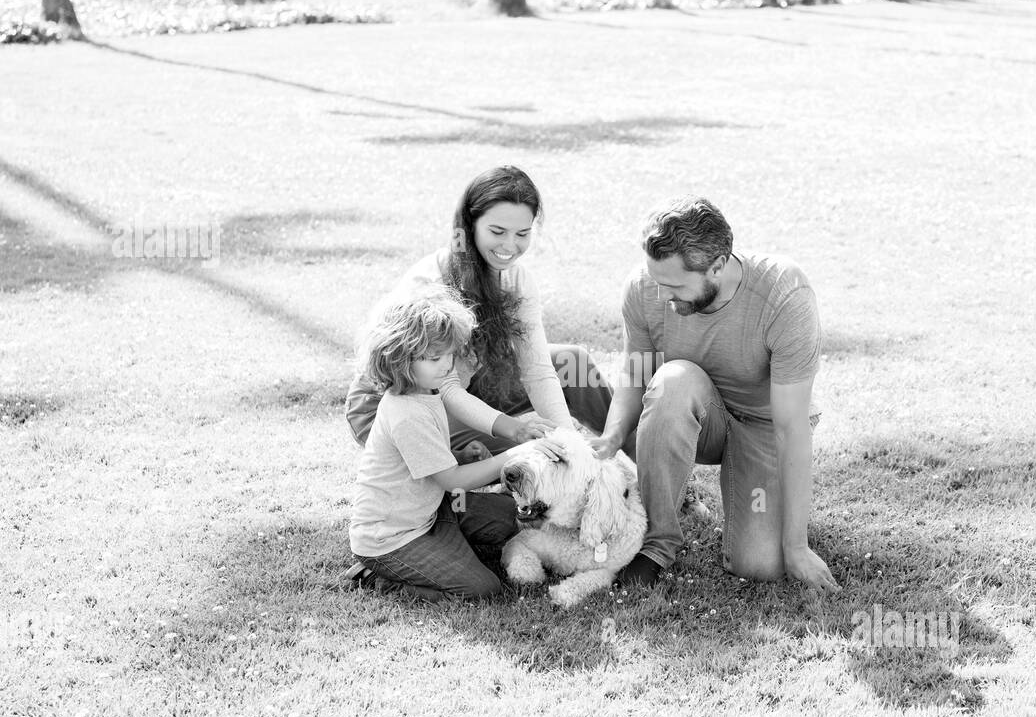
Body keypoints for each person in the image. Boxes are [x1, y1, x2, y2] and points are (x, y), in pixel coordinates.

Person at [590, 196, 841, 594]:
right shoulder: (645, 287)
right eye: (657, 280)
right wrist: (612, 435)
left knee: (758, 565)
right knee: (673, 381)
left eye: (674, 285)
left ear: (718, 266)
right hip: (694, 412)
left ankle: (760, 502)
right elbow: (636, 373)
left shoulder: (784, 293)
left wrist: (796, 547)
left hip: (764, 426)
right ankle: (656, 545)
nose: (663, 294)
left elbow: (792, 428)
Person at [346, 165, 614, 457]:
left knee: (570, 363)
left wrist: (568, 439)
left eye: (522, 233)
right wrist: (515, 429)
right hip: (401, 405)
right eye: (497, 231)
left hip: (465, 387)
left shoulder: (516, 280)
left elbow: (537, 371)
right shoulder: (435, 285)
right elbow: (446, 388)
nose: (510, 246)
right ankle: (454, 469)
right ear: (471, 224)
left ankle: (648, 465)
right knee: (536, 450)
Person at [348, 287, 563, 602]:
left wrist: (461, 455)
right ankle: (383, 577)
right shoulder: (407, 413)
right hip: (392, 538)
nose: (446, 365)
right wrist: (515, 454)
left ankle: (446, 546)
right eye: (434, 358)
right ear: (397, 358)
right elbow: (452, 480)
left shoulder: (427, 390)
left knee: (512, 518)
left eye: (449, 353)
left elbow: (428, 462)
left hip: (432, 509)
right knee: (480, 589)